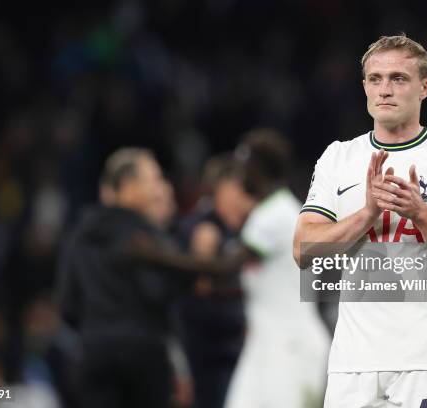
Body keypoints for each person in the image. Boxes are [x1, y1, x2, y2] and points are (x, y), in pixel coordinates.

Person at [293, 35, 427, 407]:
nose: (385, 89)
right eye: (375, 79)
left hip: (425, 356)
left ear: (425, 87)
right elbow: (304, 250)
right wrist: (367, 213)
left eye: (399, 78)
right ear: (364, 86)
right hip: (352, 359)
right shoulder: (338, 158)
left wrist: (421, 213)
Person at [58, 148, 201, 408]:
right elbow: (162, 296)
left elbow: (67, 306)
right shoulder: (147, 237)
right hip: (144, 355)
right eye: (153, 180)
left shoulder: (80, 233)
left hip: (94, 352)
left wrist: (98, 328)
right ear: (128, 186)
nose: (158, 188)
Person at [224, 129, 330, 408]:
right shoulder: (276, 210)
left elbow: (224, 266)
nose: (239, 177)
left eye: (242, 168)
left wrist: (156, 255)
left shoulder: (275, 213)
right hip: (270, 344)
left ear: (256, 168)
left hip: (289, 347)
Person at [176, 154, 253, 408]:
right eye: (242, 188)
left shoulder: (244, 229)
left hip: (233, 347)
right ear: (224, 188)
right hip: (211, 349)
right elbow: (202, 288)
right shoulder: (206, 228)